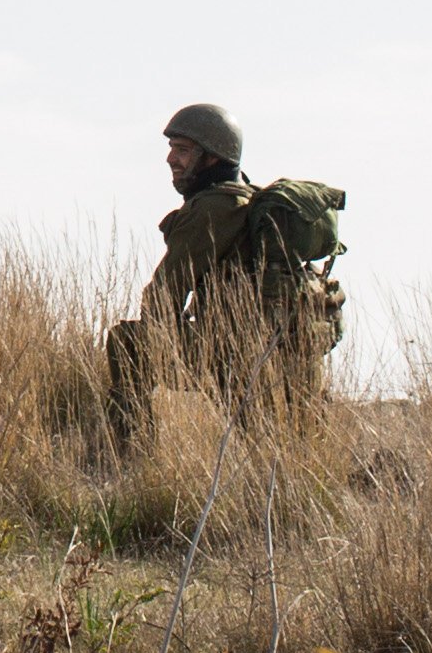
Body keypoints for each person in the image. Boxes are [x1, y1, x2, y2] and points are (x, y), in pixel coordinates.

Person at [101, 98, 340, 450]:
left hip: (237, 352)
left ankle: (126, 453)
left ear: (211, 157)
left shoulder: (213, 208)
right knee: (284, 450)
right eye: (171, 149)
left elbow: (165, 294)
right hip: (290, 351)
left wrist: (175, 333)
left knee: (129, 342)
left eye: (182, 150)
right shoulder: (252, 201)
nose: (171, 159)